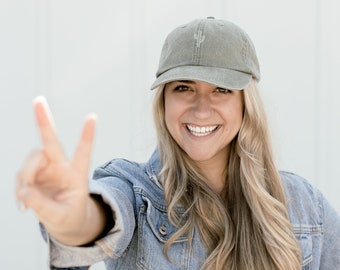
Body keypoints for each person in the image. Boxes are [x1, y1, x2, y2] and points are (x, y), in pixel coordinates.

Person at [16, 17, 340, 270]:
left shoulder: (305, 205)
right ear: (164, 103)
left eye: (221, 90)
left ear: (246, 104)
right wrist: (73, 217)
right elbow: (100, 216)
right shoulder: (135, 192)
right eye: (184, 88)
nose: (201, 108)